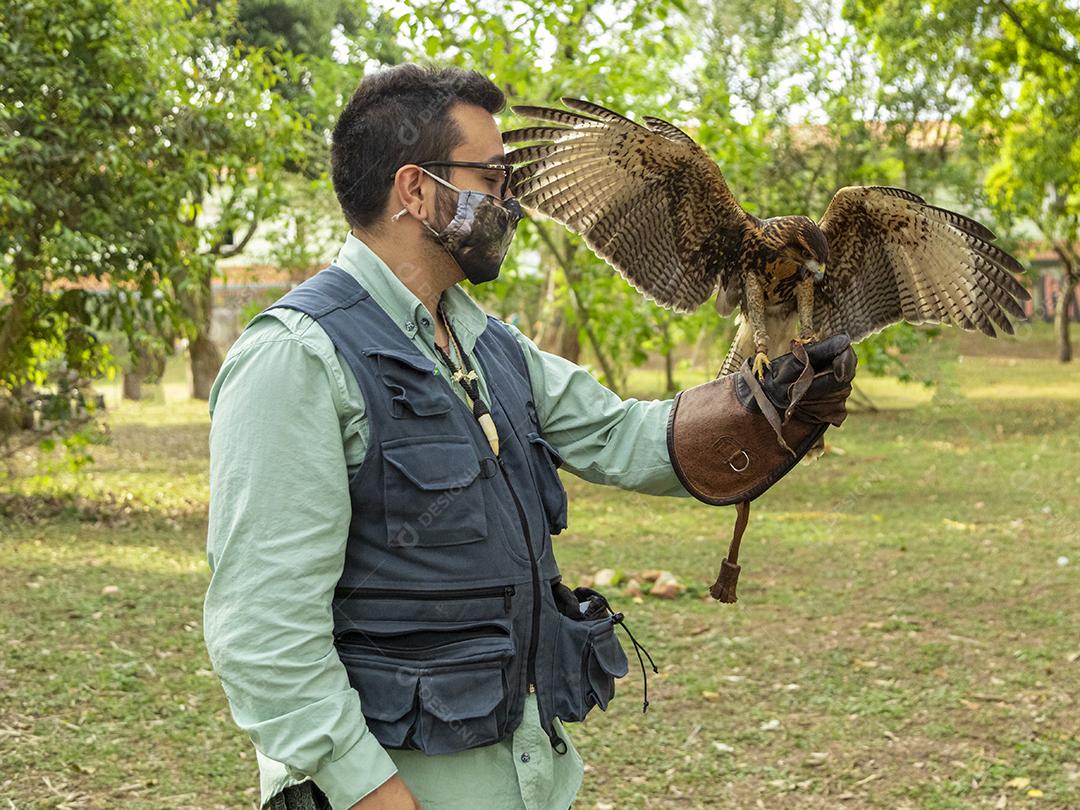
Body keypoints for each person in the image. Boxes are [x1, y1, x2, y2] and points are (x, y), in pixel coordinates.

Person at [203, 63, 856, 810]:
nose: (509, 201)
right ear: (415, 191)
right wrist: (371, 792)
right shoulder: (297, 360)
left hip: (524, 778)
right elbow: (261, 634)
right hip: (392, 793)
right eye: (491, 178)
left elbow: (622, 436)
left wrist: (763, 408)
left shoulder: (489, 345)